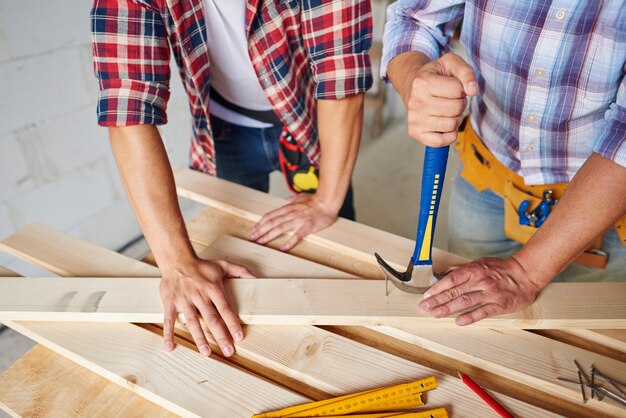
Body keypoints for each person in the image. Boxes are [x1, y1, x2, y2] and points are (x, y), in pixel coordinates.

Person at [90, 0, 372, 356]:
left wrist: (327, 200)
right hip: (225, 126)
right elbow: (128, 108)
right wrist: (178, 266)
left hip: (314, 117)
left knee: (337, 247)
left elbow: (341, 75)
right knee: (239, 253)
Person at [382, 1, 626, 325]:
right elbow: (414, 17)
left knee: (581, 338)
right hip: (486, 180)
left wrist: (526, 273)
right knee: (470, 328)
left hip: (604, 212)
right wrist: (415, 77)